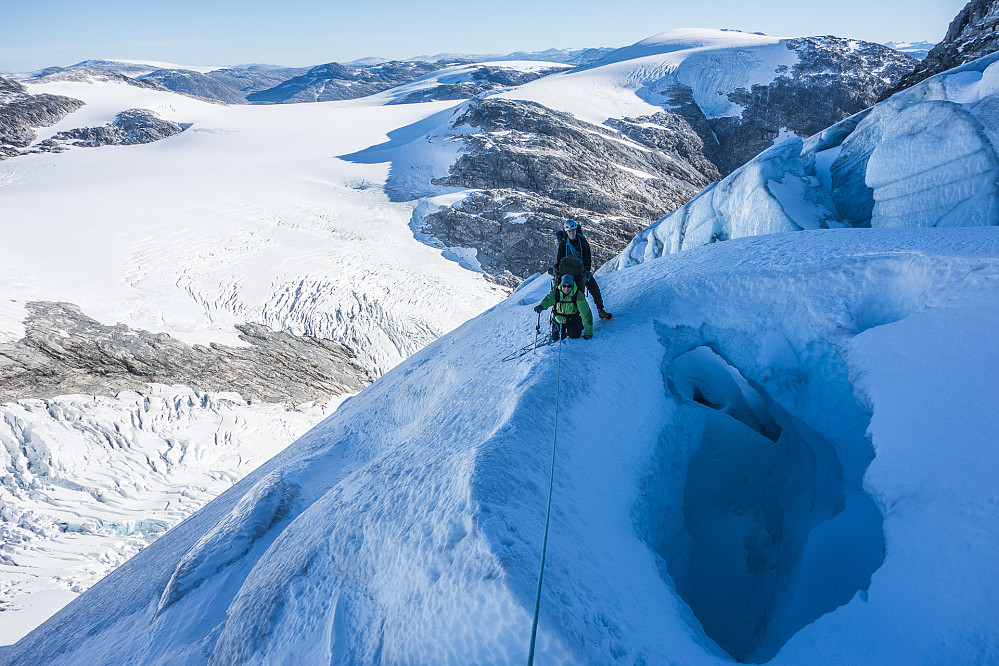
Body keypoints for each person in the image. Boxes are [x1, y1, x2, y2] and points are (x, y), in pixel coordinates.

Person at [556, 219, 612, 320]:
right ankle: (575, 316)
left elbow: (587, 258)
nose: (571, 233)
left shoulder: (582, 242)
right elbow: (560, 260)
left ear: (576, 230)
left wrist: (586, 271)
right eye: (569, 231)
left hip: (581, 271)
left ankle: (600, 310)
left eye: (573, 230)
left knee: (594, 288)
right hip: (570, 273)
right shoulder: (564, 245)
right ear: (566, 232)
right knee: (577, 294)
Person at [534, 274, 593, 340]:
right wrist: (541, 306)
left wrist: (589, 331)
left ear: (572, 286)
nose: (566, 289)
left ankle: (577, 325)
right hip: (558, 319)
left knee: (574, 335)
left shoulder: (578, 295)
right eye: (564, 286)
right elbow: (548, 300)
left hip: (572, 319)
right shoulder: (556, 293)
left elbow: (585, 313)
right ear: (561, 286)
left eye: (569, 286)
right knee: (556, 337)